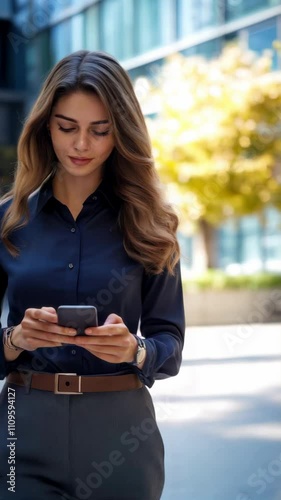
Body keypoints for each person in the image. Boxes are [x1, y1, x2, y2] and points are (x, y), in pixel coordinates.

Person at [0, 50, 185, 500]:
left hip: (121, 430)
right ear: (46, 125)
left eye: (100, 131)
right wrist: (16, 340)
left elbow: (170, 344)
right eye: (67, 127)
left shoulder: (151, 223)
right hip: (20, 423)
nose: (81, 144)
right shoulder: (7, 221)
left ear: (120, 133)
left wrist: (134, 349)